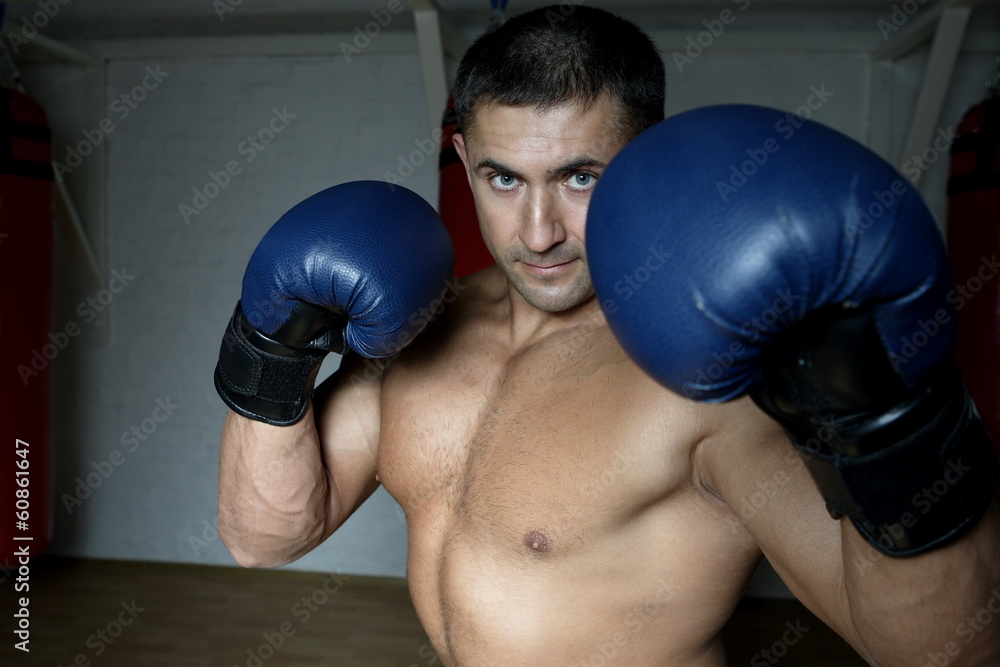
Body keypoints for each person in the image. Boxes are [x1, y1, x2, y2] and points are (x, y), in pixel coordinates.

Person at [213, 6, 1000, 665]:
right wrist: (271, 350)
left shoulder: (705, 381)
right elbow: (266, 539)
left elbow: (938, 652)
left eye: (579, 176)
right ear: (463, 159)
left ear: (645, 161)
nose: (538, 230)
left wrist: (883, 418)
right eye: (503, 178)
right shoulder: (418, 331)